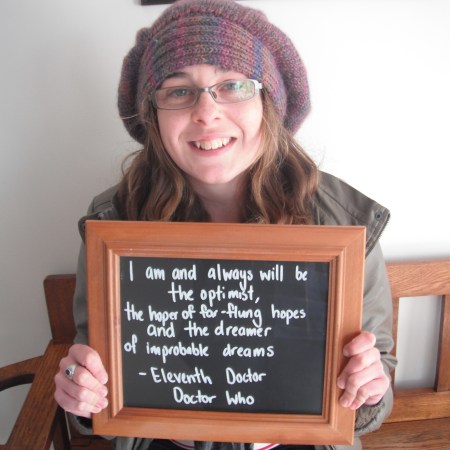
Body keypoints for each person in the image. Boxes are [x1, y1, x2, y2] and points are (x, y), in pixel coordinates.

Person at [54, 0, 396, 449]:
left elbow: (374, 389)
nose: (206, 112)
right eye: (179, 91)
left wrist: (370, 387)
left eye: (233, 85)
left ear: (268, 103)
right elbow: (94, 382)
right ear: (153, 116)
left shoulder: (341, 222)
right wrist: (81, 394)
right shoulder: (115, 222)